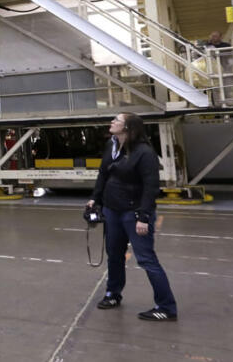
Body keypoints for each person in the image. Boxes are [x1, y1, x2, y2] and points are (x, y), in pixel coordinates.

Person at [87, 112, 178, 322]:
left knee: (146, 259)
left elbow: (151, 186)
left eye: (116, 120)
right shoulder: (112, 147)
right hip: (112, 211)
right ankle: (113, 294)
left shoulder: (144, 153)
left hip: (134, 213)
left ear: (128, 128)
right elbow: (103, 174)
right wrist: (96, 199)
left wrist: (144, 217)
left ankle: (166, 306)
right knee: (114, 255)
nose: (112, 122)